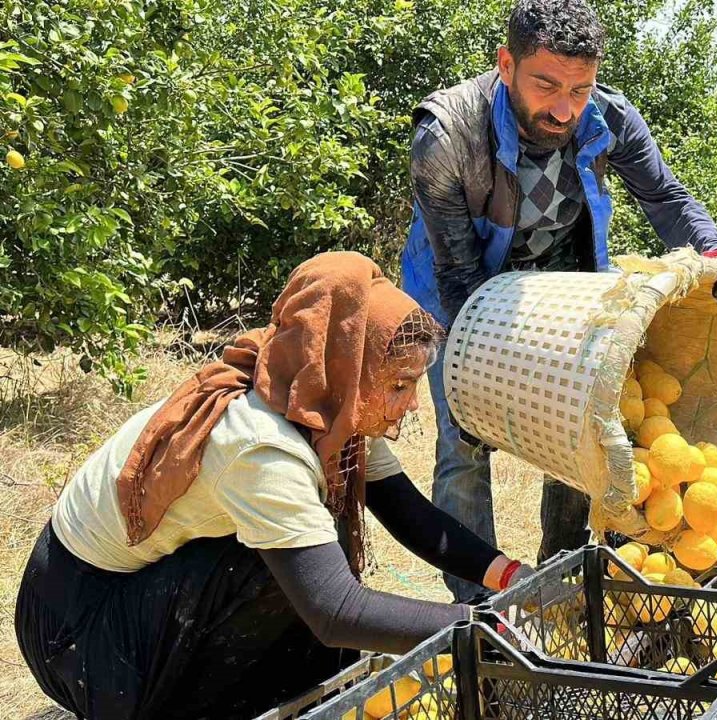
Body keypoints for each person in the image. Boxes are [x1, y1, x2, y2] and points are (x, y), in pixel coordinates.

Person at [15, 253, 531, 720]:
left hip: (133, 591)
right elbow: (334, 609)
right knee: (292, 556)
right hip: (77, 625)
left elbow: (410, 515)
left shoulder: (324, 404)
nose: (412, 404)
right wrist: (482, 627)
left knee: (301, 544)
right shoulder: (262, 444)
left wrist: (510, 577)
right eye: (399, 385)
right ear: (348, 369)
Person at [402, 0, 717, 600]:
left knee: (583, 427)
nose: (564, 108)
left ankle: (563, 568)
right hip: (457, 290)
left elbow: (666, 199)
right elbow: (457, 269)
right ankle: (478, 603)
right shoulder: (448, 133)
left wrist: (715, 252)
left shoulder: (609, 118)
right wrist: (488, 376)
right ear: (506, 64)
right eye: (546, 85)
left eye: (580, 89)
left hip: (561, 289)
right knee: (463, 443)